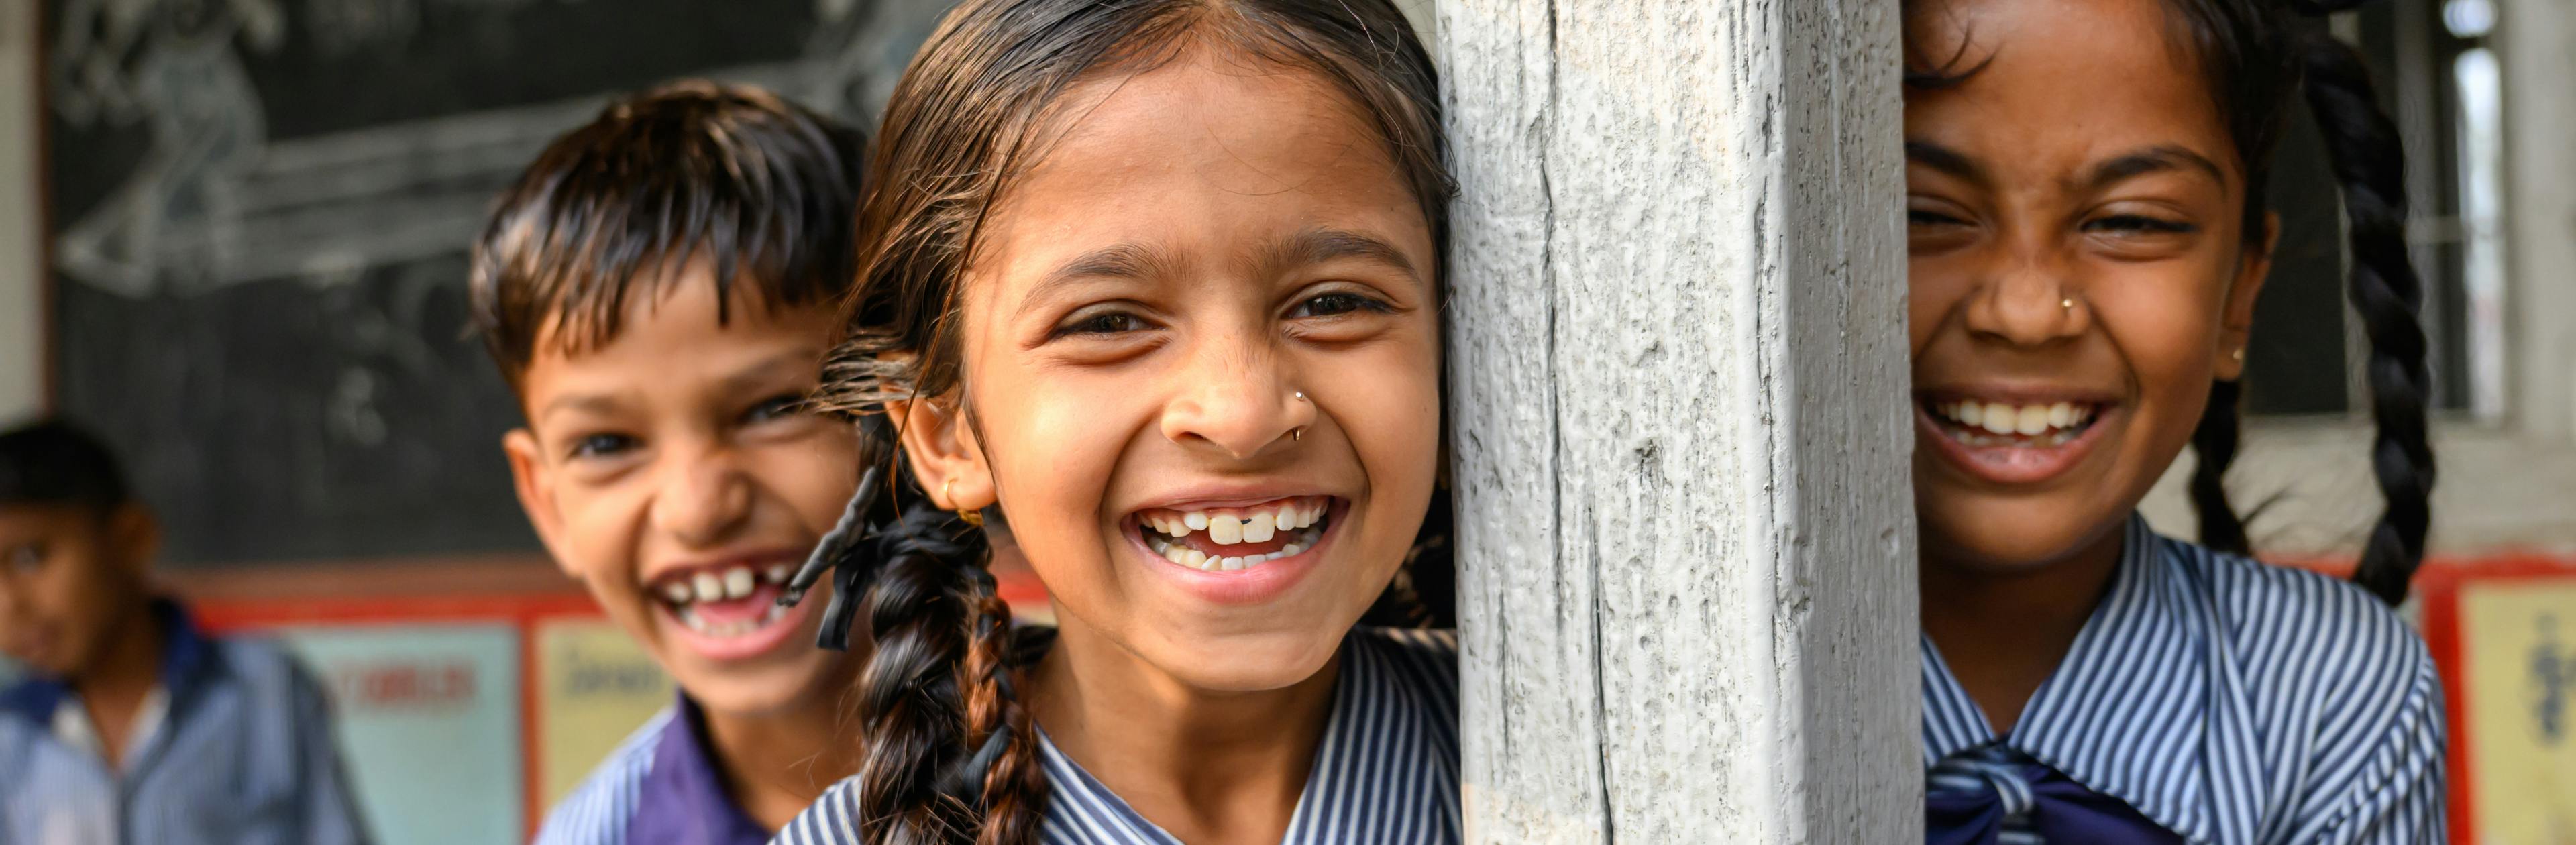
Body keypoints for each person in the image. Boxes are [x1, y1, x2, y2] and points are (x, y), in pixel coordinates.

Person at [769, 0, 1459, 842]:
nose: (1241, 414)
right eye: (1108, 323)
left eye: (1334, 303)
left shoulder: (1574, 745)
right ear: (945, 431)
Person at [1900, 0, 2445, 840]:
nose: (2026, 311)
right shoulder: (1675, 681)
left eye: (2129, 222)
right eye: (1925, 213)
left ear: (2239, 296)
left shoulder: (2330, 696)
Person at [470, 80, 875, 843]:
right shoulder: (594, 835)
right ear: (547, 502)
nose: (697, 508)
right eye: (607, 446)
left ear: (919, 420)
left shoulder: (1124, 771)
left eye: (773, 409)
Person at [0, 418, 370, 844]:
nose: (9, 605)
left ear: (131, 539)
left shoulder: (266, 691)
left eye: (30, 558)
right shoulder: (10, 735)